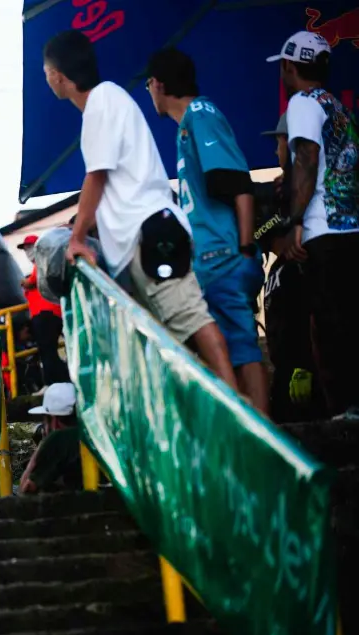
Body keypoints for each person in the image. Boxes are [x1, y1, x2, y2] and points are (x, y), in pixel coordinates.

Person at [43, 30, 237, 391]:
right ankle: (222, 405)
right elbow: (112, 184)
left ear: (57, 75)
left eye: (46, 72)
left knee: (191, 319)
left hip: (152, 231)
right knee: (174, 337)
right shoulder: (107, 103)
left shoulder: (102, 100)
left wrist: (77, 238)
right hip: (144, 235)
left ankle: (241, 410)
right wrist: (88, 224)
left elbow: (96, 177)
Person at [145, 48, 269, 414]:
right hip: (207, 263)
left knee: (244, 348)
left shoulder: (201, 114)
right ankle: (249, 432)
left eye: (149, 84)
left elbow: (239, 184)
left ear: (160, 83)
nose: (149, 91)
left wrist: (246, 251)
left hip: (226, 257)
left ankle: (267, 435)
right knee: (227, 350)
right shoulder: (186, 127)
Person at [268, 31, 359, 420]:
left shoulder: (303, 103)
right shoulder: (336, 107)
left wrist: (293, 220)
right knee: (350, 318)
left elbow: (306, 157)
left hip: (324, 231)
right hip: (351, 229)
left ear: (290, 67)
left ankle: (345, 410)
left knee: (330, 325)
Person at [258, 114, 324, 423]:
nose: (275, 151)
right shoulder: (277, 268)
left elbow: (316, 310)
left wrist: (305, 366)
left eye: (279, 143)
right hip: (286, 373)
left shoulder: (303, 253)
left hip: (307, 373)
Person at [18, 233, 70, 386]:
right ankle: (56, 382)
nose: (28, 251)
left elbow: (31, 282)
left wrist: (25, 282)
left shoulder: (42, 262)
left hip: (46, 313)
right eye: (25, 248)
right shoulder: (40, 264)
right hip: (46, 314)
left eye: (30, 247)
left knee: (48, 352)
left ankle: (55, 383)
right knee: (48, 351)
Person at [18, 383, 83, 494]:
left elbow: (26, 488)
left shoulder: (58, 438)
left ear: (54, 420)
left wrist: (40, 449)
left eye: (44, 419)